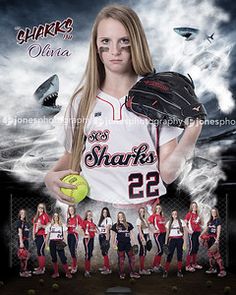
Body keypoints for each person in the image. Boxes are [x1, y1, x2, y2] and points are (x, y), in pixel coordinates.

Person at [44, 4, 202, 207]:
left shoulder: (159, 97)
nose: (115, 51)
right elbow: (71, 155)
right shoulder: (81, 100)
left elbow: (169, 174)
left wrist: (193, 130)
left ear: (136, 44)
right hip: (94, 209)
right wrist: (50, 177)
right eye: (105, 42)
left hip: (147, 210)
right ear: (96, 47)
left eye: (124, 41)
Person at [111, 211, 140, 279]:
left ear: (124, 217)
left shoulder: (128, 224)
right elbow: (113, 236)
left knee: (132, 258)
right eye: (119, 216)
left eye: (122, 216)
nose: (121, 217)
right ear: (118, 217)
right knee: (121, 259)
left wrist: (134, 243)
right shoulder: (115, 226)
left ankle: (132, 273)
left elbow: (132, 235)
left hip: (128, 244)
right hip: (120, 245)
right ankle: (121, 273)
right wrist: (113, 244)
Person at [200, 207, 226, 277]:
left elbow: (218, 231)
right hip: (209, 239)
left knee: (217, 255)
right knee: (210, 255)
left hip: (214, 238)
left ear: (216, 212)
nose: (213, 213)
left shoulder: (218, 220)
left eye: (214, 212)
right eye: (212, 212)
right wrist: (200, 235)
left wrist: (217, 240)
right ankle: (213, 268)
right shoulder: (210, 221)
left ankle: (222, 270)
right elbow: (206, 229)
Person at [45, 212, 72, 279]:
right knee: (54, 258)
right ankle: (56, 273)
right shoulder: (50, 226)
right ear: (53, 217)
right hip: (52, 242)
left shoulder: (62, 225)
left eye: (57, 216)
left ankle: (67, 273)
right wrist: (46, 244)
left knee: (63, 258)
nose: (55, 217)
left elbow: (65, 234)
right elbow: (47, 235)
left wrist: (65, 242)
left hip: (59, 242)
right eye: (54, 216)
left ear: (58, 217)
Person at [163, 209, 188, 278]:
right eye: (173, 214)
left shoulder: (181, 221)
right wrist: (165, 243)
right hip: (172, 240)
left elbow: (185, 232)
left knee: (179, 255)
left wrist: (185, 242)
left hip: (180, 239)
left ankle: (179, 271)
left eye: (175, 213)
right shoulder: (169, 222)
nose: (174, 215)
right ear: (171, 215)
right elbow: (167, 233)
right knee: (169, 255)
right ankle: (166, 271)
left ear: (177, 214)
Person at [32, 203, 50, 275]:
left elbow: (48, 227)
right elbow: (34, 226)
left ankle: (42, 269)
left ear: (44, 209)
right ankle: (40, 267)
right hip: (37, 236)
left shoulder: (45, 216)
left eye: (42, 208)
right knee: (38, 252)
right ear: (38, 208)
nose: (41, 209)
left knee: (41, 251)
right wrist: (33, 235)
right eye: (39, 207)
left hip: (43, 236)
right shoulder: (36, 217)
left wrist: (41, 226)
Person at [184, 201, 202, 272]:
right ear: (191, 207)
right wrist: (188, 230)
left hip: (198, 233)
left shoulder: (198, 215)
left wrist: (201, 218)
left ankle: (194, 263)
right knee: (191, 248)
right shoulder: (189, 214)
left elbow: (201, 224)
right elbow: (184, 224)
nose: (194, 207)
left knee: (196, 248)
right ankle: (187, 266)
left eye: (195, 206)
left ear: (197, 207)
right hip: (192, 233)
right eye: (193, 206)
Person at [148, 204, 166, 273]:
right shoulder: (153, 216)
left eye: (159, 208)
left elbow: (163, 226)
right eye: (157, 208)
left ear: (161, 209)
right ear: (155, 209)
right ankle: (154, 266)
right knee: (160, 250)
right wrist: (153, 230)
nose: (158, 209)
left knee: (161, 250)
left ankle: (158, 264)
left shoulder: (162, 217)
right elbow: (149, 223)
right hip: (158, 235)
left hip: (163, 234)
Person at [67, 205, 83, 274]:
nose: (71, 211)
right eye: (70, 210)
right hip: (69, 235)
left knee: (73, 250)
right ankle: (73, 264)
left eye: (72, 209)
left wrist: (78, 228)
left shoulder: (77, 217)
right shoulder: (68, 218)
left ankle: (75, 266)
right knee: (70, 250)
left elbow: (82, 224)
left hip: (74, 235)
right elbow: (67, 228)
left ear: (74, 210)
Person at [81, 210, 97, 277]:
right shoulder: (84, 222)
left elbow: (96, 231)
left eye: (90, 214)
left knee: (90, 254)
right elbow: (80, 229)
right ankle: (86, 271)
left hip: (92, 239)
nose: (89, 216)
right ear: (86, 216)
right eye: (88, 215)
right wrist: (84, 235)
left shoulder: (93, 223)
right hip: (87, 239)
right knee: (88, 254)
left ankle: (88, 268)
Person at [136, 207, 151, 275]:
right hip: (142, 236)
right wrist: (143, 239)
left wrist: (148, 238)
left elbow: (148, 229)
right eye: (141, 211)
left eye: (143, 211)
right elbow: (139, 230)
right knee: (143, 252)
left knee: (144, 252)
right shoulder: (139, 220)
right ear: (139, 213)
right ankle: (141, 269)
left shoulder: (145, 219)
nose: (142, 213)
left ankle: (142, 268)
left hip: (146, 235)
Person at [97, 207, 113, 275]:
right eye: (103, 212)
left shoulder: (109, 219)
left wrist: (107, 239)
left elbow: (108, 229)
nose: (105, 213)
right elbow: (99, 229)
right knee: (103, 252)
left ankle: (108, 269)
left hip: (105, 237)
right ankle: (105, 266)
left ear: (108, 213)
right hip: (101, 236)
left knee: (105, 252)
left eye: (106, 212)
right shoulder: (102, 220)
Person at [17, 209, 31, 277]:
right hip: (22, 240)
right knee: (22, 257)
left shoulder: (26, 222)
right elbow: (19, 232)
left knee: (26, 256)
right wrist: (21, 242)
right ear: (19, 214)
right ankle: (22, 272)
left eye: (24, 213)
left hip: (26, 241)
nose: (23, 214)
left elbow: (27, 232)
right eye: (21, 213)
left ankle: (25, 270)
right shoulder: (19, 222)